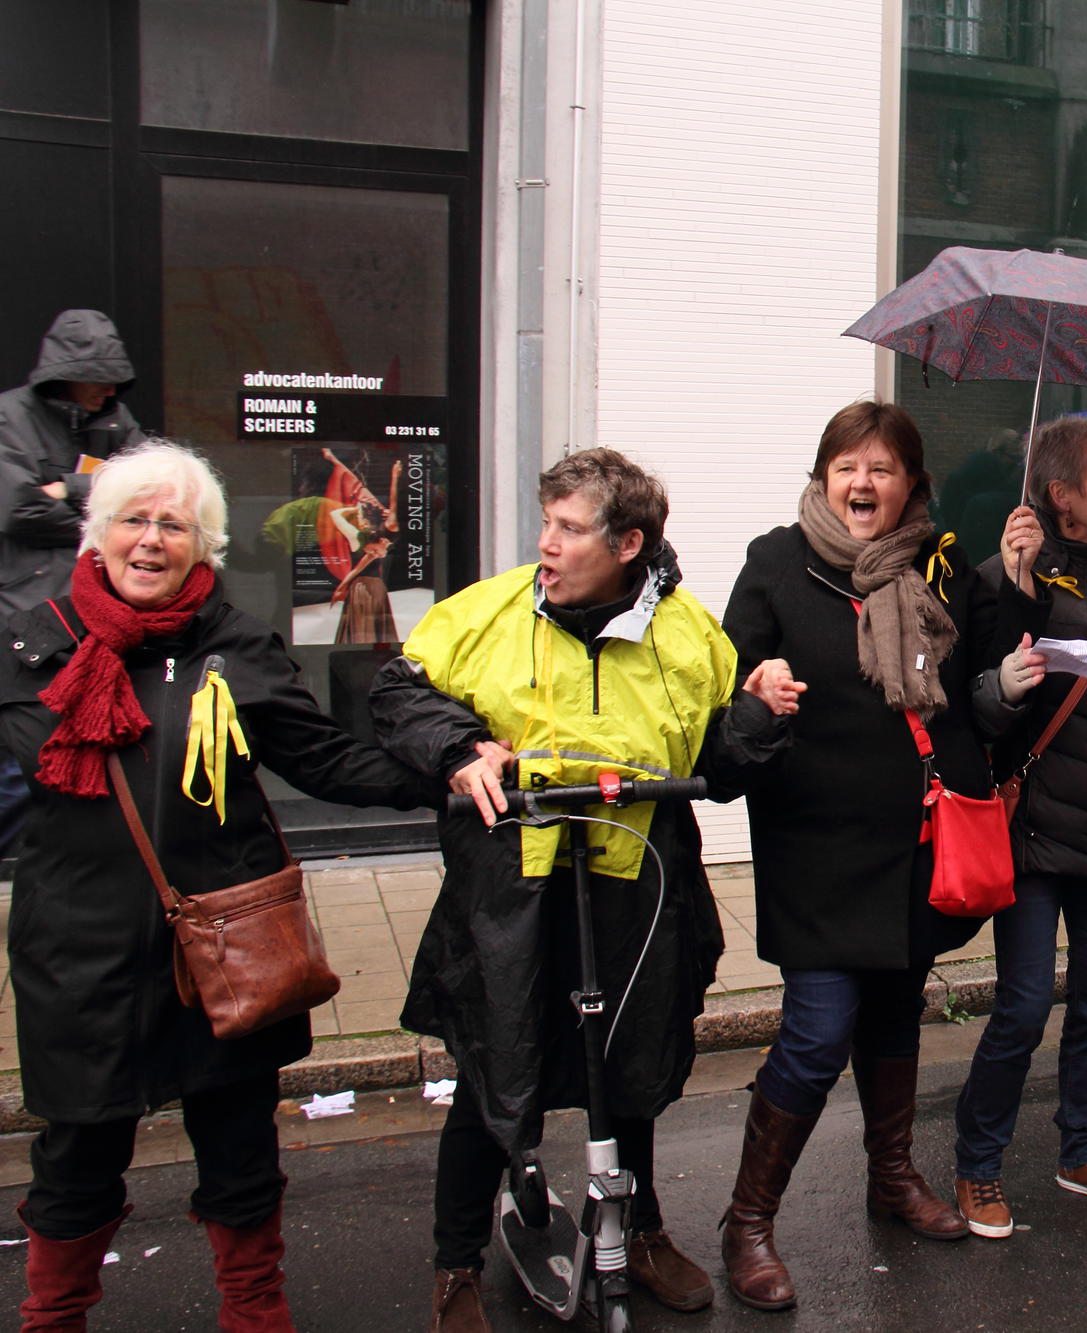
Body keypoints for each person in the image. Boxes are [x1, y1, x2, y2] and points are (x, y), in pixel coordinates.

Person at [0, 441, 433, 1330]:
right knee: (76, 1156)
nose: (152, 539)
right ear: (98, 534)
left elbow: (324, 757)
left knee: (239, 1150)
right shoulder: (35, 643)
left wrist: (451, 768)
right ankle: (53, 1316)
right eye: (134, 519)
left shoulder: (234, 645)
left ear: (204, 547)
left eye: (175, 525)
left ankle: (254, 1311)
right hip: (77, 952)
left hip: (226, 949)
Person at [372, 448, 761, 1329]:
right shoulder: (489, 613)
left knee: (631, 1070)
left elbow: (720, 762)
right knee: (492, 1072)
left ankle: (642, 1228)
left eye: (568, 528)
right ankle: (455, 1263)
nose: (546, 543)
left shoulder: (690, 634)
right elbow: (397, 693)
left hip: (636, 885)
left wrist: (760, 716)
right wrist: (461, 745)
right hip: (515, 890)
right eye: (545, 522)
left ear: (628, 543)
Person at [715, 401, 1031, 1309]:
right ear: (823, 478)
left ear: (911, 486)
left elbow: (984, 680)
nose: (863, 484)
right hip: (814, 843)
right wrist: (756, 685)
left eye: (883, 469)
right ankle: (749, 1221)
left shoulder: (942, 565)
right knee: (816, 1033)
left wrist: (1009, 579)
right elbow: (732, 676)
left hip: (912, 846)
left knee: (896, 1014)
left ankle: (891, 1179)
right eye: (847, 466)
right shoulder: (776, 561)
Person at [952, 413, 1087, 1236]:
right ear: (1060, 495)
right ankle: (977, 1163)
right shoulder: (1007, 577)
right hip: (1034, 834)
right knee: (1024, 1006)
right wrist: (1012, 616)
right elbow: (977, 714)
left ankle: (1085, 1147)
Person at [0, 310, 143, 855]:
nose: (108, 387)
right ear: (66, 371)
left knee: (78, 754)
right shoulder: (10, 418)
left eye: (115, 375)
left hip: (97, 615)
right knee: (24, 762)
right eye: (98, 374)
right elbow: (17, 513)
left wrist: (65, 485)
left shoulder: (115, 419)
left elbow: (143, 491)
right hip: (27, 616)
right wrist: (102, 498)